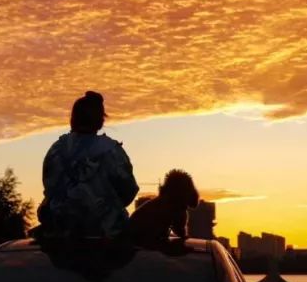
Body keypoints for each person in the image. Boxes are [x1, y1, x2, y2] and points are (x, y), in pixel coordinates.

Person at [35, 91, 139, 240]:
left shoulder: (56, 149)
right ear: (100, 120)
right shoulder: (112, 151)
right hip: (107, 237)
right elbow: (128, 190)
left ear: (73, 119)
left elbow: (50, 187)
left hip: (61, 237)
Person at [128, 169, 200, 247]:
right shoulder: (170, 208)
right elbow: (179, 228)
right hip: (137, 243)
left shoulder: (159, 204)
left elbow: (179, 228)